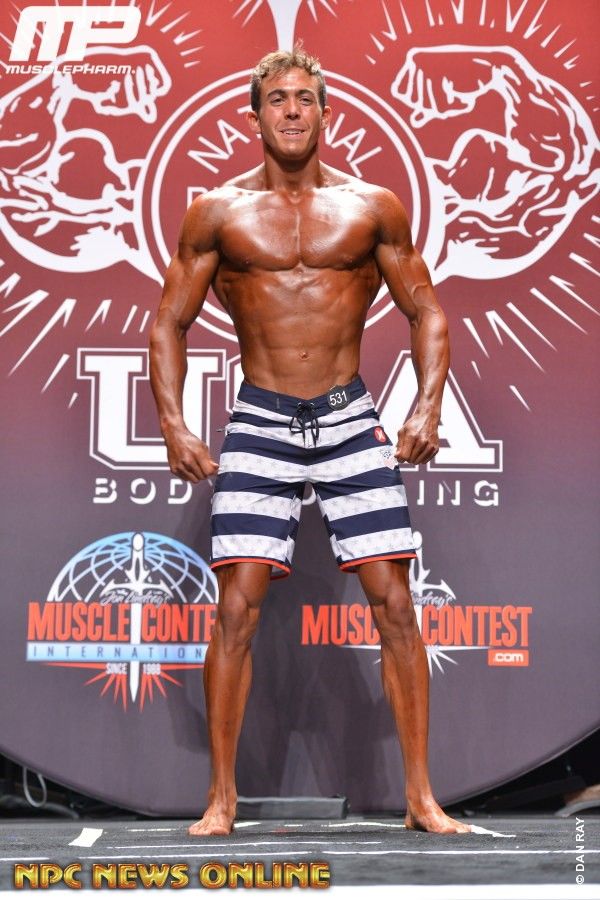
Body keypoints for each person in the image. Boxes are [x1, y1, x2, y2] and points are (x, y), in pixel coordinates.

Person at [149, 47, 471, 836]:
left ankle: (421, 798)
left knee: (394, 604)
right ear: (253, 115)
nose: (292, 110)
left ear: (327, 113)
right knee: (236, 611)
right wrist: (174, 424)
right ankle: (222, 798)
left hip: (347, 416)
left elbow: (427, 311)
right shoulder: (216, 213)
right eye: (277, 99)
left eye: (304, 98)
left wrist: (427, 407)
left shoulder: (372, 207)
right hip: (261, 417)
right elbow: (168, 323)